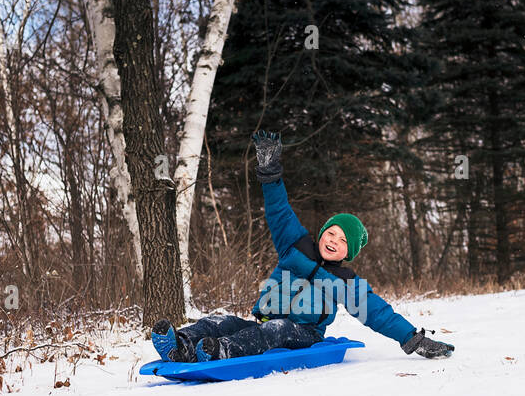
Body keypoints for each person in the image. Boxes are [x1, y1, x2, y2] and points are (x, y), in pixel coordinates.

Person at [150, 130, 454, 363]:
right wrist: (270, 174)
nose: (334, 241)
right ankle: (180, 345)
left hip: (301, 335)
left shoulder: (346, 282)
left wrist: (411, 339)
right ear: (321, 233)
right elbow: (279, 210)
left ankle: (219, 353)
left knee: (276, 331)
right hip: (264, 322)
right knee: (223, 321)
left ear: (348, 253)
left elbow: (379, 313)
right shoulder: (294, 243)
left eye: (342, 241)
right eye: (331, 233)